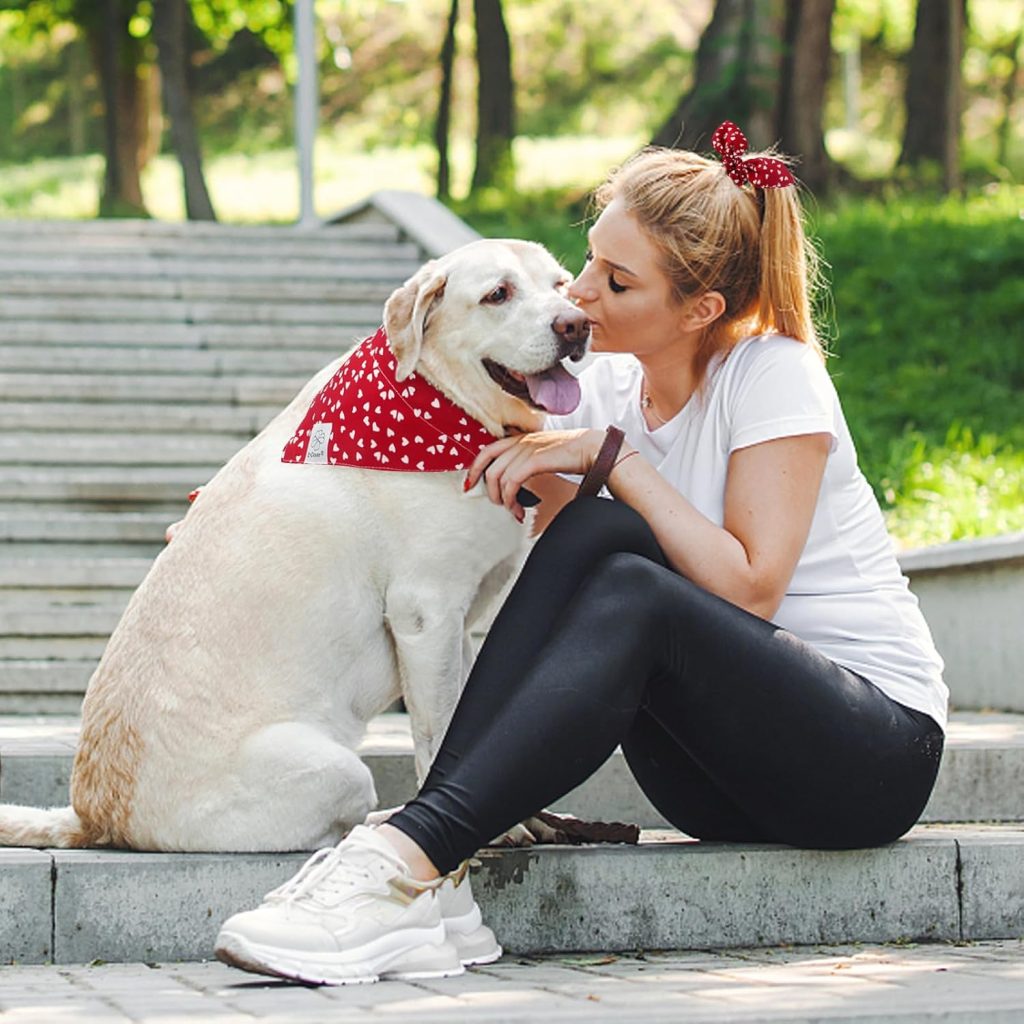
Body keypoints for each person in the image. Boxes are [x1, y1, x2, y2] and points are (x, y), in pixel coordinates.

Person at [214, 122, 947, 986]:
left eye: (616, 281)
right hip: (710, 776)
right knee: (600, 538)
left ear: (700, 310)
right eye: (585, 265)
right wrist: (235, 500)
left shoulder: (773, 374)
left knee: (629, 571)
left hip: (865, 757)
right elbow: (385, 392)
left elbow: (750, 592)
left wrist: (614, 460)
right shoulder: (594, 385)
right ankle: (434, 855)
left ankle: (409, 859)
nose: (579, 298)